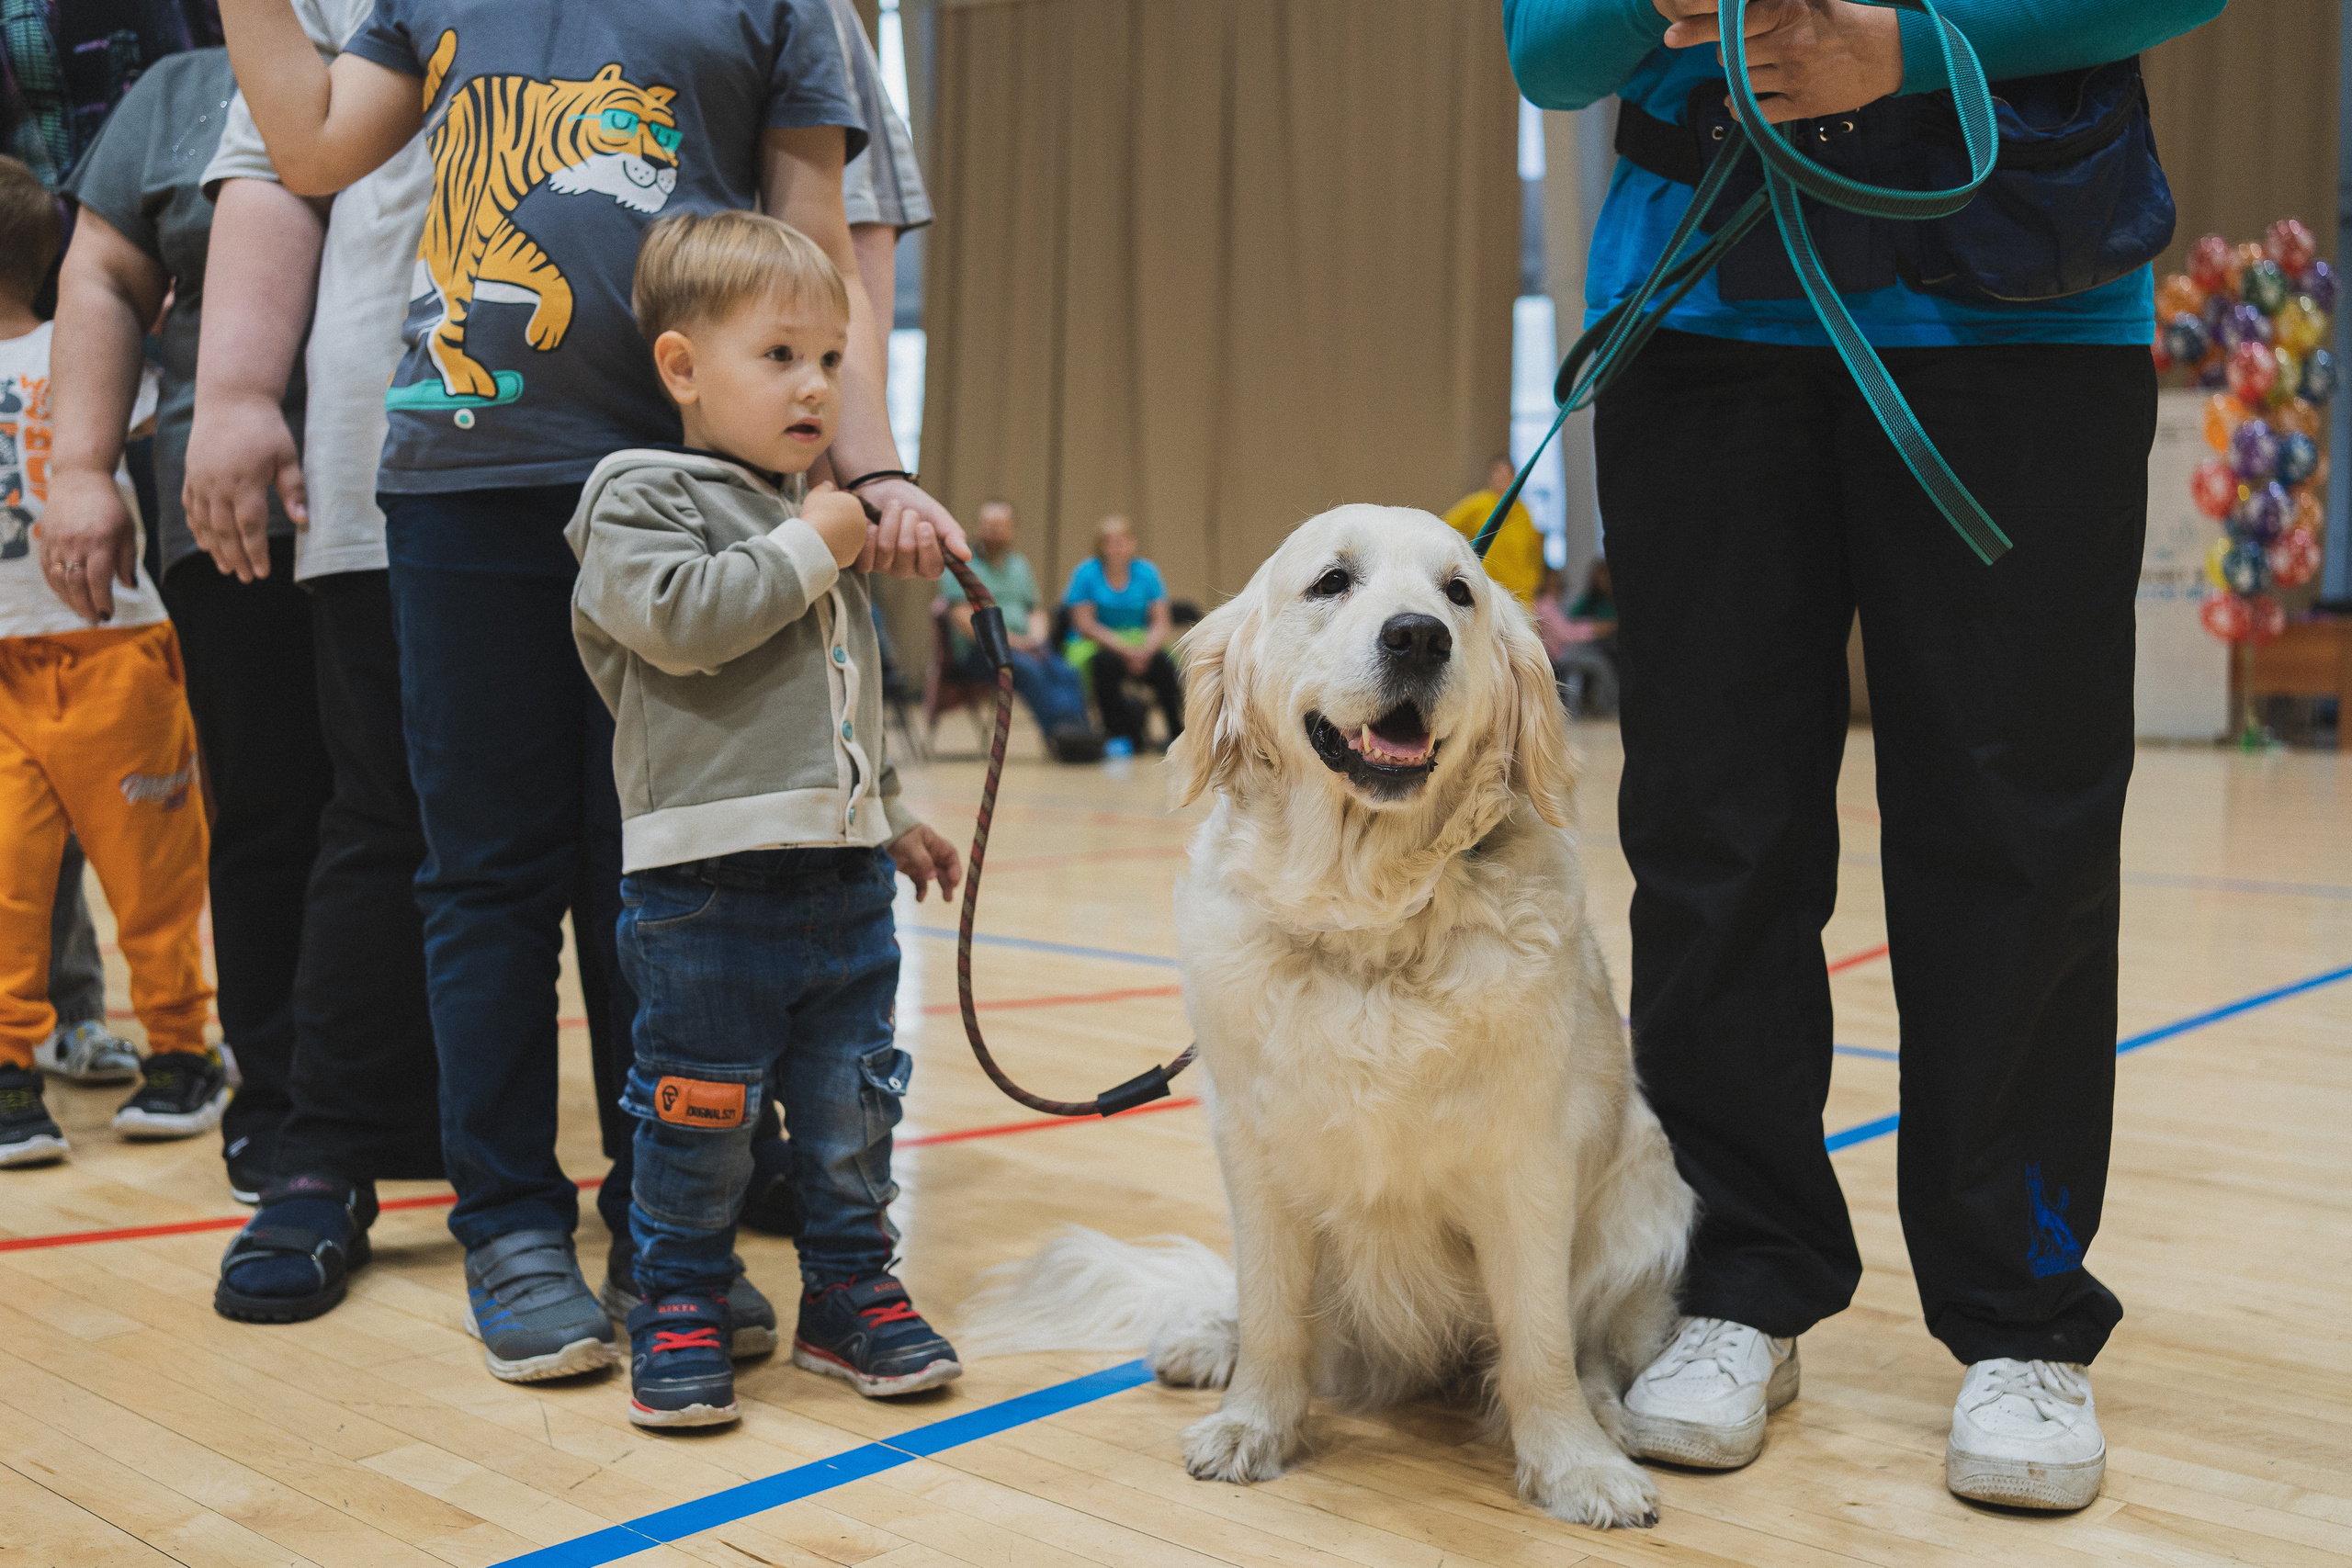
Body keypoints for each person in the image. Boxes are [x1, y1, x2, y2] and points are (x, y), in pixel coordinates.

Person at [1509, 0, 2221, 1511]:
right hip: (1700, 315)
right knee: (1714, 830)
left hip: (2020, 313)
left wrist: (1912, 44)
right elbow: (1546, 53)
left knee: (2015, 831)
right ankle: (1737, 1283)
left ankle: (2021, 1316)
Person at [217, 0, 967, 1383]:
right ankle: (509, 1223)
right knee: (483, 877)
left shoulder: (782, 9)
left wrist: (863, 470)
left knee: (669, 865)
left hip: (693, 489)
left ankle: (663, 1222)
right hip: (462, 485)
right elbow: (312, 146)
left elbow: (811, 261)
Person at [570, 210, 965, 1426]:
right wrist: (820, 537)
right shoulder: (639, 494)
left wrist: (887, 811)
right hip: (704, 890)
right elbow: (683, 623)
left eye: (834, 362)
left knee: (853, 1105)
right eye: (781, 356)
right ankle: (679, 1294)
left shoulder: (813, 513)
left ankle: (849, 1287)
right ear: (684, 368)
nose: (816, 388)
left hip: (839, 884)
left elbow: (834, 704)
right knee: (697, 1109)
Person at [40, 48, 333, 1185]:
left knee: (417, 816)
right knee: (266, 807)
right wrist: (79, 471)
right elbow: (101, 278)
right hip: (227, 508)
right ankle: (280, 1094)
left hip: (427, 497)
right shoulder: (177, 93)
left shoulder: (429, 42)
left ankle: (402, 1086)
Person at [0, 152, 216, 1168]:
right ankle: (10, 1069)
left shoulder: (79, 350)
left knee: (153, 878)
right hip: (9, 666)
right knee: (6, 881)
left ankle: (181, 1050)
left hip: (113, 652)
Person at [940, 500, 1097, 759]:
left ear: (1012, 529)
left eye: (1001, 525)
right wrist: (1013, 643)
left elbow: (1034, 609)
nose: (995, 531)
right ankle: (1059, 740)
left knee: (1066, 672)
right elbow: (963, 619)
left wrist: (1036, 638)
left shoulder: (1020, 565)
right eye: (989, 525)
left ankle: (1080, 736)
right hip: (982, 653)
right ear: (978, 528)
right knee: (1030, 672)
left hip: (1025, 646)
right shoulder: (962, 565)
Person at [1064, 515, 1182, 754]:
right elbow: (1085, 624)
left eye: (1122, 541)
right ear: (1100, 546)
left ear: (1132, 544)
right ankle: (1117, 734)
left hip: (1141, 643)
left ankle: (1176, 733)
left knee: (1164, 665)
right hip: (1099, 643)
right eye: (1110, 541)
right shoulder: (1086, 573)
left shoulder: (1147, 573)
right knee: (1104, 666)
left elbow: (1161, 621)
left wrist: (1147, 649)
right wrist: (1124, 650)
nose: (1116, 547)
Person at [1442, 453, 1546, 606]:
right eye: (1497, 473)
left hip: (1521, 596)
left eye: (1506, 474)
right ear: (1491, 478)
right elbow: (1445, 528)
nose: (1501, 478)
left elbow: (1534, 553)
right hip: (1489, 591)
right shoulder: (1478, 504)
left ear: (1514, 478)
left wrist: (1534, 583)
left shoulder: (1523, 512)